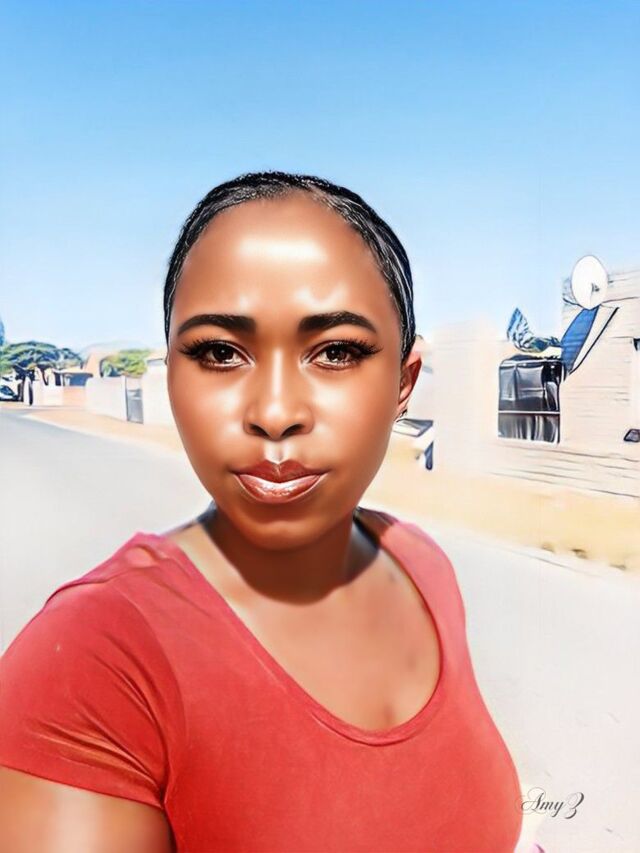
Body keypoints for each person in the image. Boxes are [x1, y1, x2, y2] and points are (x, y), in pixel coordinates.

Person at [0, 171, 525, 851]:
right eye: (221, 353)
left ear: (404, 381)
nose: (275, 413)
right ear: (172, 375)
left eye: (335, 351)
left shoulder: (422, 564)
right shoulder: (93, 665)